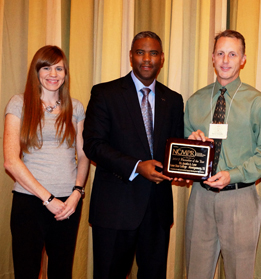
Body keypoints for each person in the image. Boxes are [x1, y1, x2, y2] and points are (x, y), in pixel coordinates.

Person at [83, 31, 184, 278]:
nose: (147, 59)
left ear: (162, 58)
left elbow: (175, 148)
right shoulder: (105, 93)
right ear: (131, 56)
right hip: (115, 209)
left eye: (153, 53)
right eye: (140, 52)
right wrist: (137, 166)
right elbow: (93, 145)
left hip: (156, 210)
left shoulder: (172, 99)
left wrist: (182, 170)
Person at [184, 30, 261, 278]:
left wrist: (233, 174)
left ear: (243, 59)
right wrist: (191, 144)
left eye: (233, 54)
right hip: (200, 198)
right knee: (196, 271)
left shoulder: (257, 102)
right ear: (212, 58)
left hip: (240, 198)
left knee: (240, 273)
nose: (226, 60)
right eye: (220, 53)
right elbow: (184, 151)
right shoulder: (195, 101)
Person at [3, 45, 89, 279]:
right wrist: (48, 198)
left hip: (68, 204)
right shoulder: (19, 104)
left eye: (59, 68)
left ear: (65, 73)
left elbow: (83, 156)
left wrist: (76, 193)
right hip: (30, 202)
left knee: (62, 272)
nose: (53, 74)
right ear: (36, 71)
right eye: (47, 67)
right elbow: (10, 161)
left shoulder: (76, 107)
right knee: (27, 271)